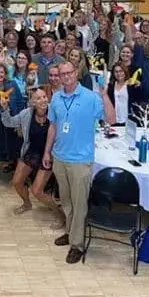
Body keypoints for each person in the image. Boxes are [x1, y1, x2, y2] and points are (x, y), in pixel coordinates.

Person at [43, 62, 115, 264]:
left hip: (80, 161)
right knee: (66, 201)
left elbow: (111, 119)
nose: (66, 76)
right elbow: (53, 126)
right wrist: (47, 151)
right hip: (60, 157)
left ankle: (77, 245)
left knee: (79, 204)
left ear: (76, 73)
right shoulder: (56, 98)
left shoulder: (91, 98)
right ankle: (70, 232)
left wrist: (104, 95)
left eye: (69, 72)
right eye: (62, 74)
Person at [2, 88, 65, 223]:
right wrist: (5, 109)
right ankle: (27, 203)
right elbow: (8, 122)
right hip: (31, 152)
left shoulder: (55, 112)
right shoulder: (26, 114)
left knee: (37, 191)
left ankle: (59, 214)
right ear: (32, 102)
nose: (43, 100)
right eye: (38, 98)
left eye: (44, 97)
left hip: (49, 156)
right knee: (16, 182)